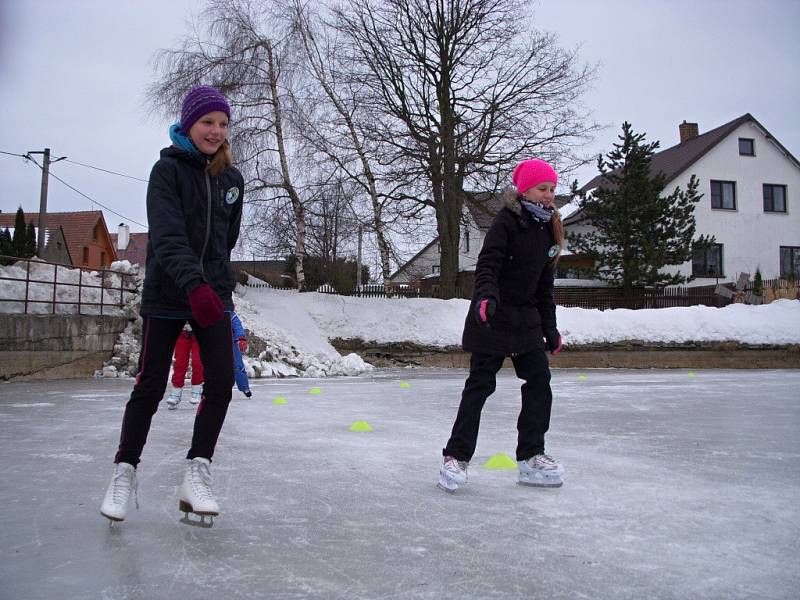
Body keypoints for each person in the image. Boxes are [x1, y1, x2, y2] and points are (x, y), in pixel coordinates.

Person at [100, 86, 244, 526]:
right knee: (150, 385)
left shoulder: (231, 180)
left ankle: (197, 472)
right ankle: (124, 472)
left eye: (223, 124)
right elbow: (166, 237)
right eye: (207, 123)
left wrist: (215, 289)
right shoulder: (166, 172)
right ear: (188, 124)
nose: (216, 132)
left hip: (212, 296)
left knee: (220, 382)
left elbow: (225, 241)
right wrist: (192, 284)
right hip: (168, 294)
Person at [438, 158, 565, 493]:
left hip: (525, 321)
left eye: (552, 189)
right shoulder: (506, 222)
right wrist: (485, 298)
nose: (549, 195)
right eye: (543, 188)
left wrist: (549, 329)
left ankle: (531, 456)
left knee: (539, 380)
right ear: (525, 191)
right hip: (492, 318)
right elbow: (489, 265)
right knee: (480, 386)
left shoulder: (548, 229)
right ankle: (456, 456)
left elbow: (543, 288)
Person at [165, 324, 205, 409]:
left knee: (197, 362)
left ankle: (196, 391)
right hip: (182, 330)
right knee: (179, 362)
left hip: (199, 330)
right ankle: (175, 393)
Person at [230, 312, 251, 398]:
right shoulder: (212, 311)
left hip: (233, 343)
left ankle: (244, 387)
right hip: (219, 344)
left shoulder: (230, 314)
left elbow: (237, 325)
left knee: (238, 366)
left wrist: (241, 338)